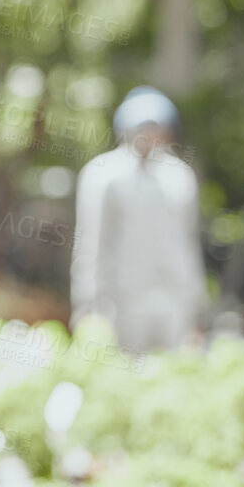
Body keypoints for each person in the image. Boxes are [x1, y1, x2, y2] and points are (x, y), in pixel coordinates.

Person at [69, 86, 208, 353]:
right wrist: (88, 306)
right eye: (144, 128)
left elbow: (187, 245)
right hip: (120, 301)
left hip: (171, 302)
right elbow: (90, 244)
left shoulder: (179, 177)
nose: (151, 137)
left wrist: (196, 309)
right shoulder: (103, 175)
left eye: (158, 129)